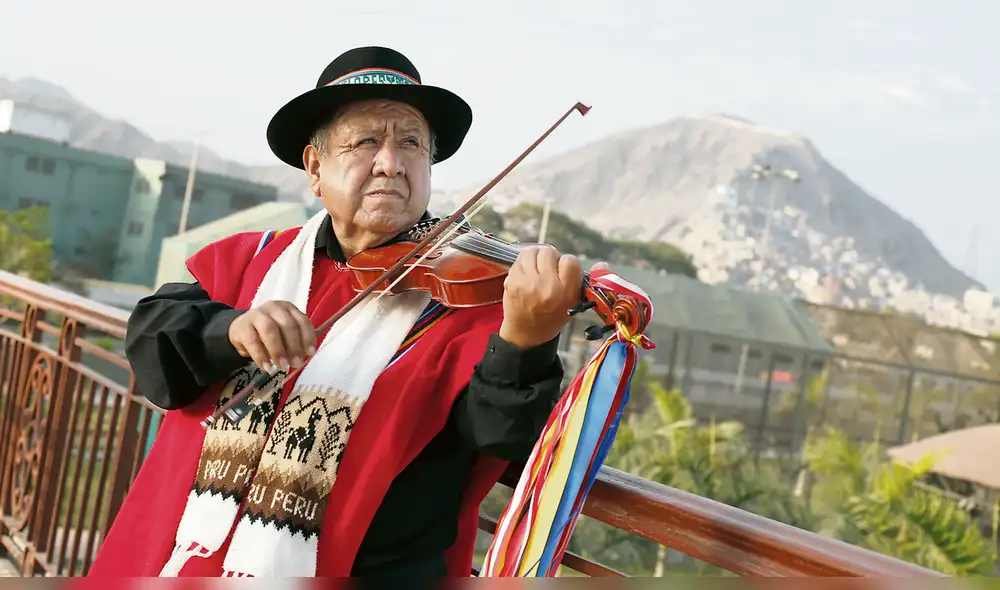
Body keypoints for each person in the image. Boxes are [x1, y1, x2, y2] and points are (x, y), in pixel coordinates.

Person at [88, 46, 601, 580]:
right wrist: (231, 329)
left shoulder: (469, 302)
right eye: (365, 142)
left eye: (411, 143)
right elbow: (153, 341)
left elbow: (502, 438)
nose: (391, 163)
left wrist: (525, 340)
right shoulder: (248, 261)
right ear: (315, 167)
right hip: (184, 559)